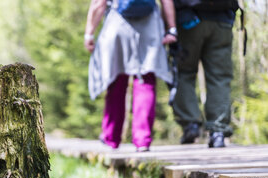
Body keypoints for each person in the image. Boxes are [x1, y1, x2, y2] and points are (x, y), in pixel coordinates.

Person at [84, 0, 177, 152]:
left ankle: (111, 137)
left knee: (117, 81)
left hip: (118, 24)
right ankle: (142, 140)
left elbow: (99, 3)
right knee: (146, 81)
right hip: (149, 25)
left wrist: (89, 33)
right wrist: (172, 28)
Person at [172, 1, 238, 148]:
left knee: (185, 72)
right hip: (222, 20)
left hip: (189, 19)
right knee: (220, 76)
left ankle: (191, 124)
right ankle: (218, 131)